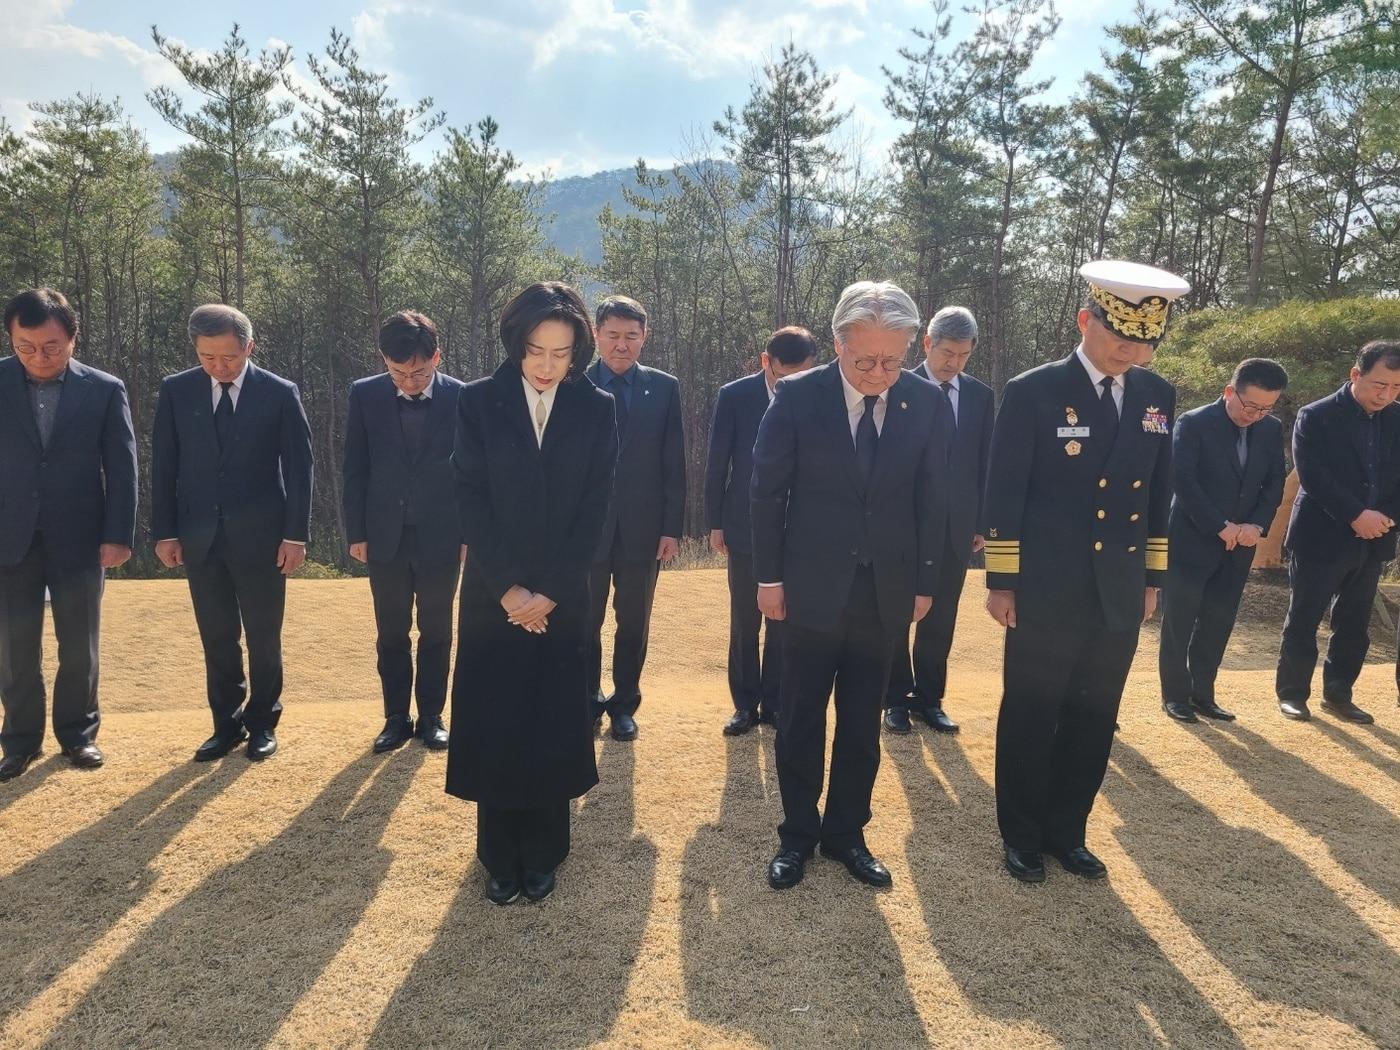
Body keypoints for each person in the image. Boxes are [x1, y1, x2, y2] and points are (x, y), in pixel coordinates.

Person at [984, 259, 1185, 884]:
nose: (1130, 348)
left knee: (1095, 714)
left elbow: (1157, 492)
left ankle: (1067, 830)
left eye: (1144, 338)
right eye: (1119, 333)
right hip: (1047, 585)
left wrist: (1154, 578)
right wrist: (1002, 580)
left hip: (1120, 588)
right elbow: (1004, 491)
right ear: (1085, 319)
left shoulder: (1158, 395)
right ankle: (1021, 833)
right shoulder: (1033, 390)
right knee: (1031, 709)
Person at [752, 281, 953, 891]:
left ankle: (847, 834)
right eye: (864, 360)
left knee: (864, 720)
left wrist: (924, 582)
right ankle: (797, 834)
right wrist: (768, 577)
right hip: (809, 587)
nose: (878, 373)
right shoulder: (795, 397)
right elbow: (766, 492)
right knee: (800, 717)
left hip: (884, 591)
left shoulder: (926, 402)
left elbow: (932, 499)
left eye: (892, 360)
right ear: (837, 345)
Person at [446, 281, 618, 905]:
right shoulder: (478, 402)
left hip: (564, 596)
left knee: (553, 716)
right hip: (495, 595)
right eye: (535, 351)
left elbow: (594, 508)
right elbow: (470, 497)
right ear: (515, 344)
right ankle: (498, 854)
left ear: (578, 352)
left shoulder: (597, 408)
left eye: (562, 353)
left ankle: (546, 851)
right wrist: (510, 590)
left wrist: (548, 591)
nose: (547, 366)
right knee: (497, 716)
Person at [152, 304, 314, 762]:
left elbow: (300, 470)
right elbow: (164, 465)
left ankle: (262, 720)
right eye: (207, 357)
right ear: (196, 350)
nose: (219, 367)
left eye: (229, 357)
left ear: (249, 347)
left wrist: (295, 535)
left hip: (264, 539)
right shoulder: (177, 391)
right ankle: (225, 724)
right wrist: (165, 531)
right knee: (217, 635)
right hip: (200, 536)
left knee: (264, 634)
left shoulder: (279, 393)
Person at [0, 288, 137, 781]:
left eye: (52, 347)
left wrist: (118, 534)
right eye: (26, 346)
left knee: (79, 643)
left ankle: (78, 736)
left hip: (81, 537)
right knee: (14, 647)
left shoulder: (103, 389)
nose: (40, 356)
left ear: (73, 339)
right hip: (8, 536)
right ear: (12, 338)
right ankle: (18, 742)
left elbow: (122, 468)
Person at [343, 310, 466, 753]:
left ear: (436, 356)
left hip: (443, 535)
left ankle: (432, 716)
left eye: (418, 371)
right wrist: (356, 531)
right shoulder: (365, 395)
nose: (408, 381)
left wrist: (469, 533)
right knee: (391, 631)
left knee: (437, 630)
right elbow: (355, 468)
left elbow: (473, 472)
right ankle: (395, 717)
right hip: (384, 535)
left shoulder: (462, 397)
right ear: (383, 361)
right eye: (397, 373)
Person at [1276, 339, 1400, 725]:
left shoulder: (1398, 418)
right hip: (1321, 535)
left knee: (1354, 621)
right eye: (1380, 384)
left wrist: (1384, 518)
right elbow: (1313, 476)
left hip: (1376, 535)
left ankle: (1339, 692)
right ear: (1355, 375)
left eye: (1397, 387)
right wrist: (1355, 515)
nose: (1387, 394)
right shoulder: (1316, 415)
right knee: (1304, 618)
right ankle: (1293, 694)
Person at [884, 306, 994, 735]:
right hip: (903, 525)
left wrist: (981, 522)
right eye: (947, 352)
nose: (954, 363)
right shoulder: (896, 385)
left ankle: (929, 699)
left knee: (940, 617)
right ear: (927, 344)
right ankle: (893, 699)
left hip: (955, 528)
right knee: (895, 614)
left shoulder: (981, 396)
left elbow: (985, 462)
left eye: (963, 355)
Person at [1159, 359, 1288, 723]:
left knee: (1219, 620)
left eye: (1265, 408)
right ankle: (1175, 696)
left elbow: (1274, 483)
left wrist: (1256, 525)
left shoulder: (1269, 427)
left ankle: (1203, 694)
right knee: (1179, 621)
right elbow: (1182, 481)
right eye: (1250, 406)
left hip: (1241, 543)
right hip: (1192, 537)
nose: (1256, 415)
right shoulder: (1194, 422)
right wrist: (1220, 525)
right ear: (1230, 392)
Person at [705, 326, 818, 736]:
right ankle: (743, 705)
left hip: (799, 529)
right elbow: (718, 463)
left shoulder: (819, 396)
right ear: (764, 362)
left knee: (784, 620)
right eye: (781, 376)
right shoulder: (734, 396)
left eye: (799, 375)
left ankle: (775, 701)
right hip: (744, 525)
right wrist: (714, 522)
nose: (789, 384)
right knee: (745, 618)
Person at [584, 295, 685, 742]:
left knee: (633, 621)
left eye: (631, 336)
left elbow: (673, 463)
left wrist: (670, 528)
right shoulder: (573, 384)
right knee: (583, 621)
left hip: (644, 530)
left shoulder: (664, 387)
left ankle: (625, 704)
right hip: (585, 531)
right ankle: (585, 700)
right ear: (595, 335)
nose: (621, 345)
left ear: (644, 337)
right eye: (612, 335)